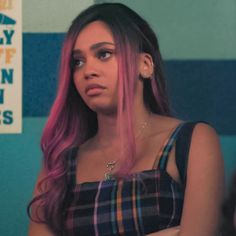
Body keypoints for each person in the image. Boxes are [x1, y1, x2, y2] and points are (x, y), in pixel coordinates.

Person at [27, 3, 224, 236]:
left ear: (145, 65)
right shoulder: (60, 163)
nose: (88, 70)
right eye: (77, 62)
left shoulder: (191, 141)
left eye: (104, 54)